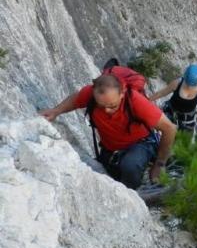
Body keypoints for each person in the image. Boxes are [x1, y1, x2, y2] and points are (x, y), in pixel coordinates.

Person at [39, 74, 177, 189]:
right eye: (101, 106)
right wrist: (55, 111)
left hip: (140, 143)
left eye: (112, 106)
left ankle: (133, 197)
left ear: (122, 93)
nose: (107, 110)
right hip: (110, 148)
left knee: (130, 167)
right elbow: (76, 99)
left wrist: (160, 164)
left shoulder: (135, 101)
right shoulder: (92, 94)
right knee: (106, 176)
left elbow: (169, 128)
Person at [148, 64, 197, 133]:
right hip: (169, 113)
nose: (189, 86)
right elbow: (161, 93)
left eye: (191, 84)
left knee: (179, 143)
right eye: (187, 83)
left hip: (187, 123)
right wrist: (146, 100)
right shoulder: (178, 83)